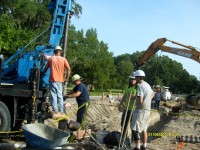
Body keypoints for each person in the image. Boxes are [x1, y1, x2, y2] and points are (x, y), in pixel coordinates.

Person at [130, 70, 154, 150]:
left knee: (135, 129)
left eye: (135, 78)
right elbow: (152, 94)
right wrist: (147, 100)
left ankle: (137, 147)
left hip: (140, 111)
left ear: (138, 77)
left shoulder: (140, 86)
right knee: (144, 129)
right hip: (147, 111)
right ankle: (144, 146)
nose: (135, 79)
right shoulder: (147, 85)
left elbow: (140, 101)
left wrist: (136, 99)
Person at [43, 46, 71, 113]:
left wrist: (42, 73)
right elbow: (68, 69)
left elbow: (45, 68)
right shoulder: (63, 59)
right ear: (60, 52)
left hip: (52, 80)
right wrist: (66, 78)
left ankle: (55, 110)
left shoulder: (51, 59)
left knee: (53, 95)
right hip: (60, 80)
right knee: (60, 95)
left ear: (54, 52)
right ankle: (61, 110)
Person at [118, 72, 137, 140]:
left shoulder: (138, 87)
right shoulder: (127, 87)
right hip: (127, 108)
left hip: (134, 109)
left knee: (133, 126)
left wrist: (133, 97)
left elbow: (139, 97)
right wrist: (120, 104)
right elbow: (124, 96)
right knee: (123, 123)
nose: (132, 80)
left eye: (134, 79)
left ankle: (133, 139)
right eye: (131, 79)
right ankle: (124, 138)